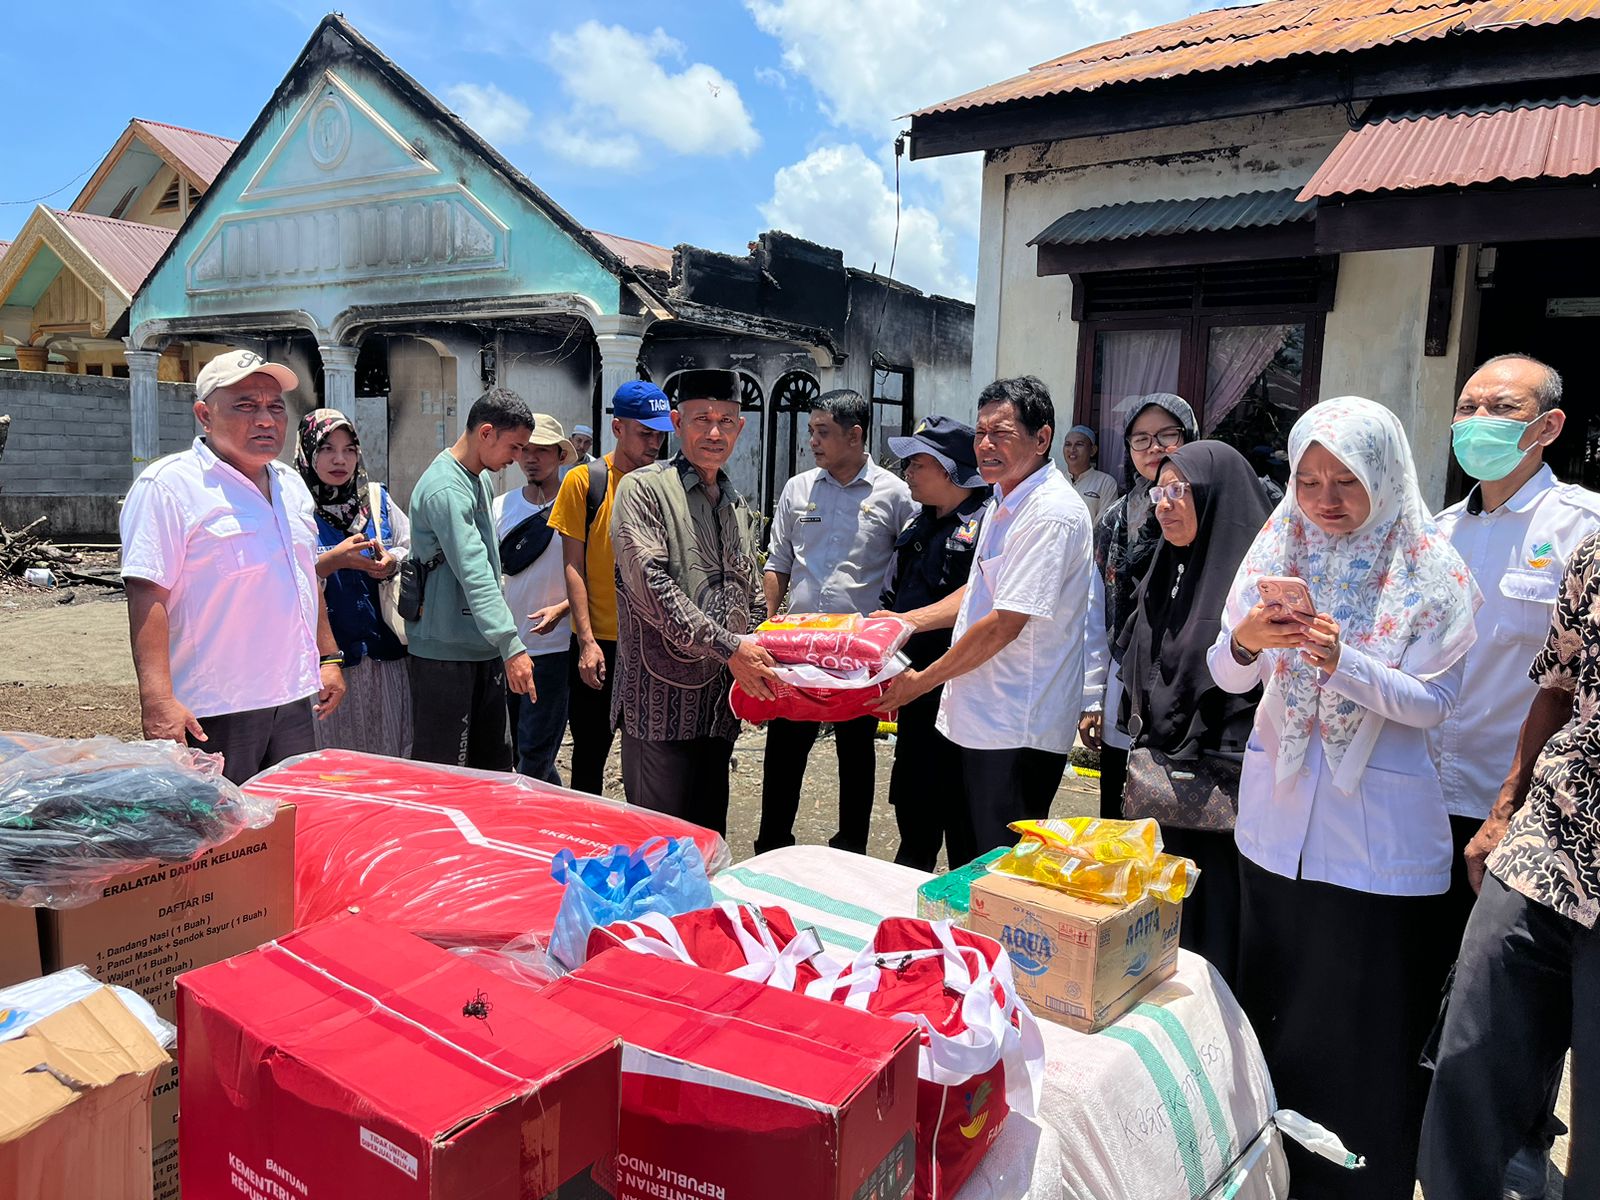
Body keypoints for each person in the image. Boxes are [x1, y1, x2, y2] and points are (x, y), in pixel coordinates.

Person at [1207, 396, 1478, 1200]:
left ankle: (1358, 1183)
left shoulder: (1431, 567)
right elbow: (1228, 674)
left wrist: (1345, 662)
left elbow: (1435, 704)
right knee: (1277, 1011)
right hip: (1275, 832)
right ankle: (1272, 1171)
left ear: (1387, 477)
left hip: (1373, 854)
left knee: (1361, 1032)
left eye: (1347, 481)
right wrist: (1248, 639)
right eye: (1310, 478)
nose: (1325, 498)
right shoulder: (1277, 544)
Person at [1426, 354, 1596, 1198]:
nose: (1476, 422)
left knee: (1516, 1010)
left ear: (1548, 427)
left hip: (1526, 818)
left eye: (1501, 407)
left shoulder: (1582, 528)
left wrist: (1513, 802)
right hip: (1428, 795)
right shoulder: (1436, 529)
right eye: (1467, 407)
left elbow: (1564, 689)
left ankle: (1523, 1140)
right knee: (1453, 1004)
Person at [875, 376, 1100, 854]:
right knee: (966, 862)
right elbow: (979, 593)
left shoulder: (1050, 513)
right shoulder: (1003, 500)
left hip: (1015, 727)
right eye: (980, 433)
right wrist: (906, 621)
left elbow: (1004, 623)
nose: (986, 445)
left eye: (1001, 432)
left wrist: (921, 681)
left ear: (1042, 439)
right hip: (977, 719)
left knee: (993, 866)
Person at [120, 349, 346, 785]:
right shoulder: (169, 486)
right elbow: (148, 594)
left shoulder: (290, 484)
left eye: (275, 406)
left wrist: (327, 656)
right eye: (245, 406)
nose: (265, 419)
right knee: (218, 840)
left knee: (286, 821)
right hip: (214, 705)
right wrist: (158, 699)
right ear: (204, 415)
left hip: (291, 695)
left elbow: (304, 576)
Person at [1116, 442, 1272, 989]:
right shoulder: (1167, 567)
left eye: (1180, 491)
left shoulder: (1250, 587)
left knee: (1211, 940)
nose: (1165, 504)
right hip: (1161, 785)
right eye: (1160, 491)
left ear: (1215, 498)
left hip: (1224, 791)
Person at [610, 369, 775, 831]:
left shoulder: (737, 502)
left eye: (727, 419)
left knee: (708, 840)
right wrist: (731, 648)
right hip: (659, 703)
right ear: (677, 423)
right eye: (702, 418)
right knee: (660, 844)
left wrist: (761, 655)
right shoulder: (643, 488)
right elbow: (652, 587)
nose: (715, 431)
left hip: (719, 708)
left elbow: (751, 590)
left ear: (741, 428)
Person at [757, 389, 916, 855]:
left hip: (858, 655)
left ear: (855, 435)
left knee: (856, 750)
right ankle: (772, 844)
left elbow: (908, 564)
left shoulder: (895, 494)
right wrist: (769, 625)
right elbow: (778, 561)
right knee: (785, 747)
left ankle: (851, 847)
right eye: (811, 431)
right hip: (798, 648)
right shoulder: (798, 489)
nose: (813, 441)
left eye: (823, 432)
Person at [876, 415, 990, 871]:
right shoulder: (917, 526)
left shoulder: (986, 525)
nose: (908, 473)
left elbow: (980, 604)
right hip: (914, 694)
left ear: (949, 470)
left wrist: (904, 623)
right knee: (914, 819)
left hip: (962, 697)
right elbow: (891, 598)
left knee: (966, 834)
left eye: (917, 464)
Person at [549, 381, 671, 794]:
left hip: (654, 645)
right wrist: (585, 641)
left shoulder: (667, 486)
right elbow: (574, 565)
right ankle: (585, 845)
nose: (654, 443)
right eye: (645, 432)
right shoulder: (586, 482)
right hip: (601, 642)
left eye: (659, 434)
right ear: (618, 428)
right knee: (589, 756)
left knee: (652, 755)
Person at [1081, 394, 1198, 819]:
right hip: (1125, 680)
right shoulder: (1114, 520)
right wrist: (1092, 697)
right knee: (1120, 815)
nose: (1154, 448)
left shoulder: (1209, 511)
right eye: (1141, 439)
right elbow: (1099, 612)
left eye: (1168, 435)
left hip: (1191, 684)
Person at [405, 387, 535, 770]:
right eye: (513, 447)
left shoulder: (476, 477)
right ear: (486, 433)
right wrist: (511, 644)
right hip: (445, 653)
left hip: (479, 647)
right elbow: (474, 569)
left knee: (493, 769)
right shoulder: (446, 488)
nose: (517, 459)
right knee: (446, 776)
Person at [295, 408, 412, 759]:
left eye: (349, 449)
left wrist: (392, 563)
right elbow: (284, 575)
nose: (339, 460)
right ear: (307, 452)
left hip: (384, 658)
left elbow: (409, 550)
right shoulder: (294, 508)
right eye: (327, 448)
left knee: (390, 753)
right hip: (325, 665)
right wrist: (334, 561)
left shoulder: (377, 502)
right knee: (331, 762)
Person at [494, 414, 575, 784]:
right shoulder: (499, 507)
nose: (531, 458)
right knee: (514, 752)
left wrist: (563, 609)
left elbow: (595, 576)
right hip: (506, 651)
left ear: (560, 456)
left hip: (554, 651)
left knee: (534, 753)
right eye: (525, 449)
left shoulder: (576, 508)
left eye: (542, 450)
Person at [1063, 423, 1120, 524]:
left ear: (1093, 450)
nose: (1072, 449)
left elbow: (1103, 525)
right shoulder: (1056, 480)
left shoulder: (1106, 483)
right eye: (1068, 444)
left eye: (1079, 444)